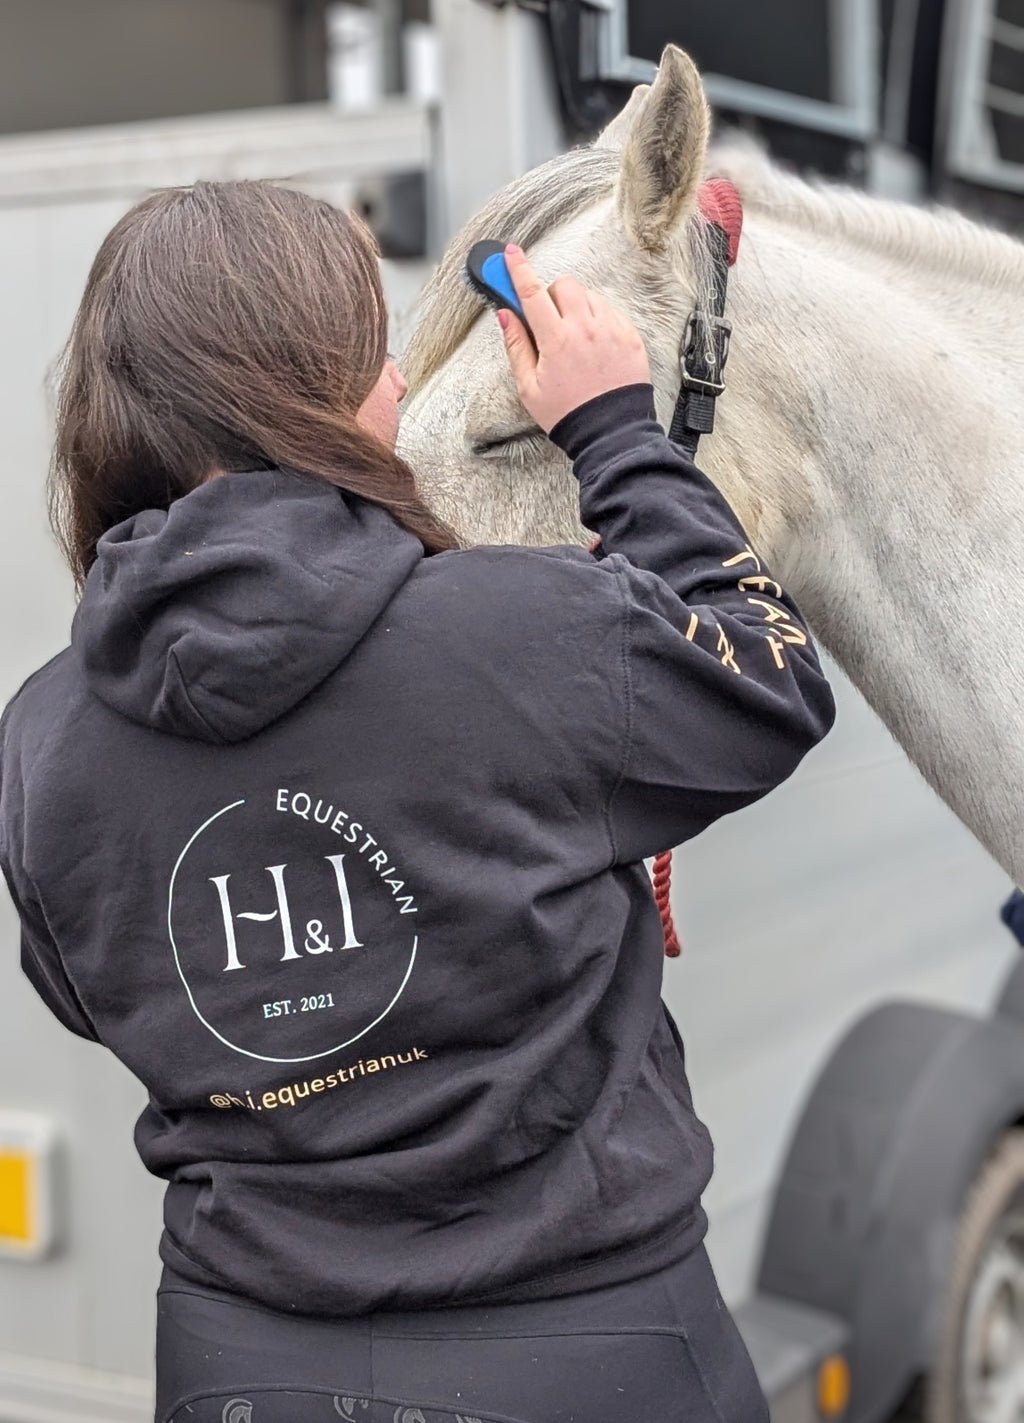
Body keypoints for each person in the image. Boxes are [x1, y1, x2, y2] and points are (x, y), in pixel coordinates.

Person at [0, 181, 834, 1423]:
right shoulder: (526, 626)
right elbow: (770, 681)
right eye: (375, 353)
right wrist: (612, 429)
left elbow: (87, 992)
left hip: (239, 1357)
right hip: (590, 1338)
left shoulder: (43, 733)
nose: (399, 386)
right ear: (309, 391)